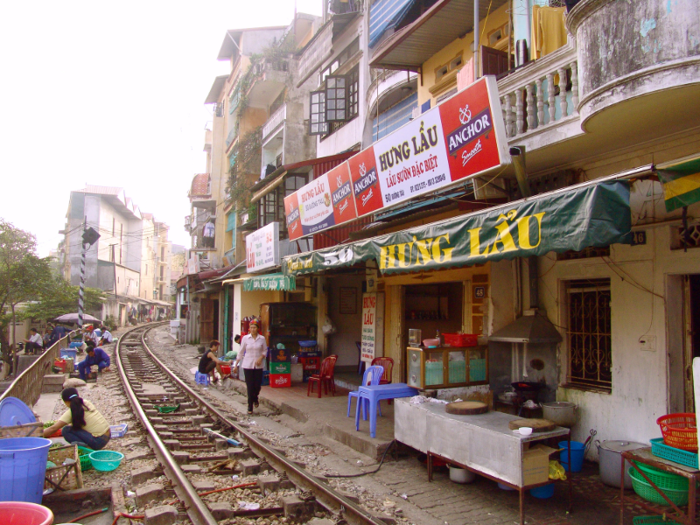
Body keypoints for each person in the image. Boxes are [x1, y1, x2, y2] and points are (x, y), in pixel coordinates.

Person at [43, 388, 111, 450]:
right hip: (108, 435)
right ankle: (90, 447)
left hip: (98, 441)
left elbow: (53, 429)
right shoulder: (86, 402)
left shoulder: (71, 412)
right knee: (71, 427)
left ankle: (86, 450)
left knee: (66, 430)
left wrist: (38, 435)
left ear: (65, 402)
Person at [233, 320, 267, 414]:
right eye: (251, 328)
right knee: (250, 386)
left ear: (257, 329)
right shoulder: (245, 338)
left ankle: (255, 398)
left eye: (254, 327)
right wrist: (236, 364)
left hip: (258, 365)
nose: (252, 329)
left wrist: (261, 358)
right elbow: (241, 351)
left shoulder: (262, 339)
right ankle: (250, 406)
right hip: (247, 364)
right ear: (249, 329)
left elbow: (265, 350)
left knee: (257, 385)